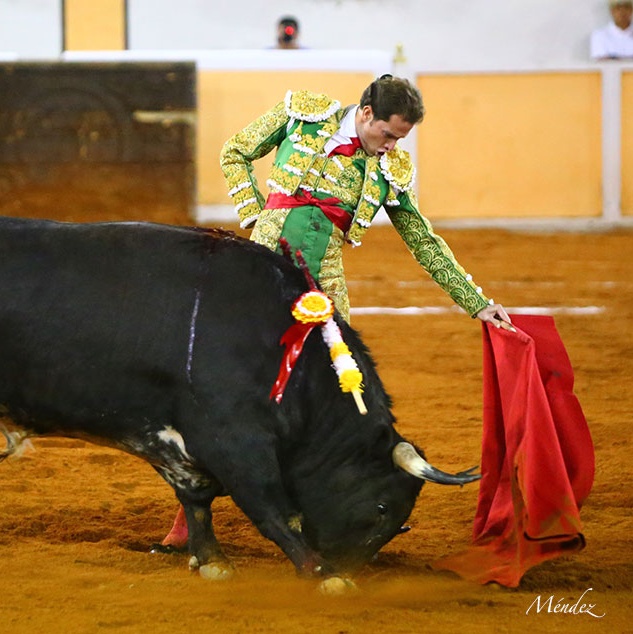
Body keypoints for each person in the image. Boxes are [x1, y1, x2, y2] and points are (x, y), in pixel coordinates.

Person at [155, 75, 510, 551]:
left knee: (332, 405)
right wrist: (255, 213)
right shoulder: (303, 115)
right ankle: (189, 519)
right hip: (255, 283)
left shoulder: (389, 169)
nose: (392, 146)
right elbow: (234, 152)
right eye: (388, 134)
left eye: (400, 139)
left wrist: (476, 302)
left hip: (324, 294)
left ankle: (337, 508)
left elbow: (422, 239)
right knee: (226, 395)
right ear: (366, 113)